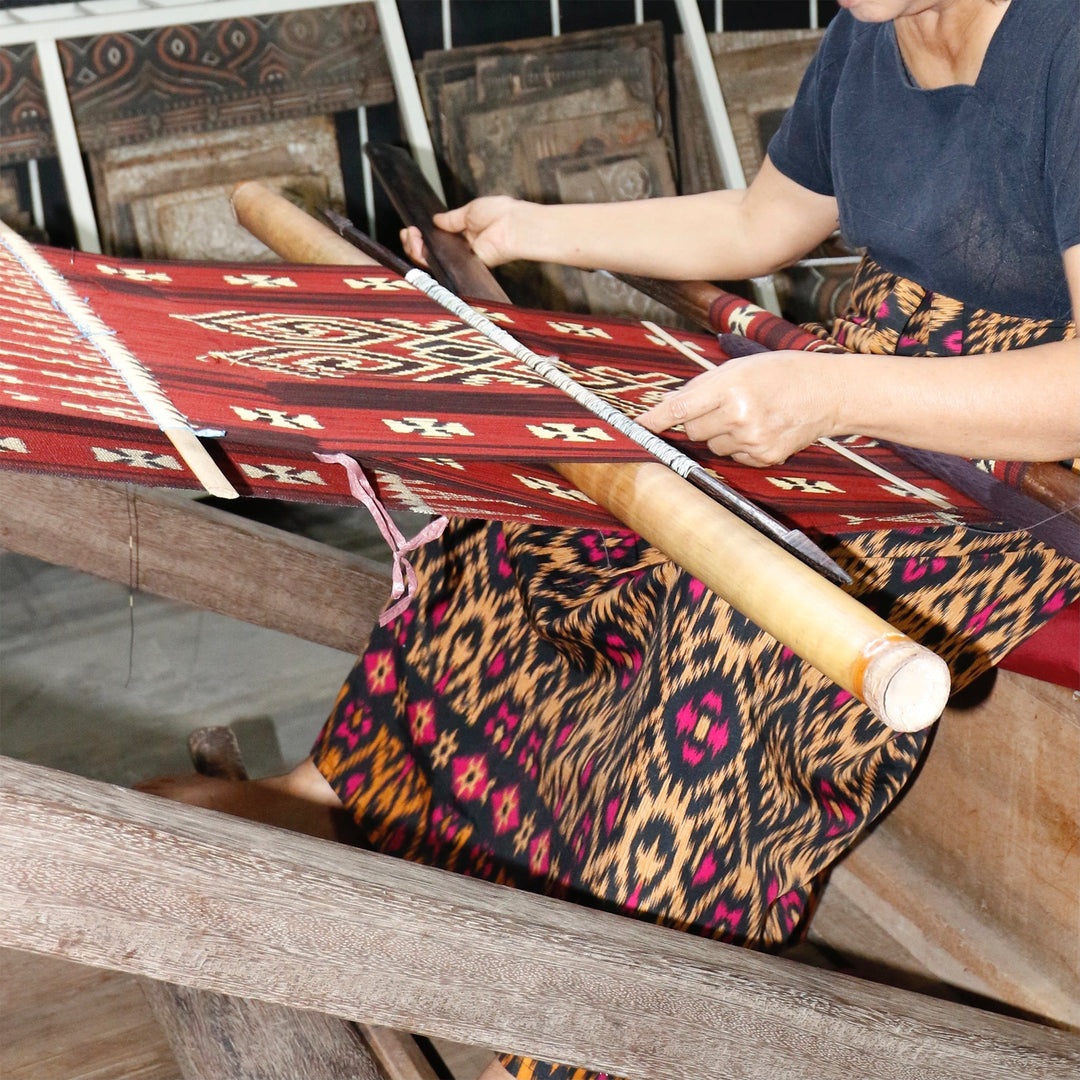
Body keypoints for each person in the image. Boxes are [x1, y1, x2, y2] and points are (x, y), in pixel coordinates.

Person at [141, 1, 1079, 1077]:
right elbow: (760, 224)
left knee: (748, 609)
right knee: (545, 506)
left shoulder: (1065, 46)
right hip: (868, 399)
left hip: (1018, 476)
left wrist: (826, 391)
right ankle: (359, 790)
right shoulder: (869, 32)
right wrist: (533, 228)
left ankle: (610, 1027)